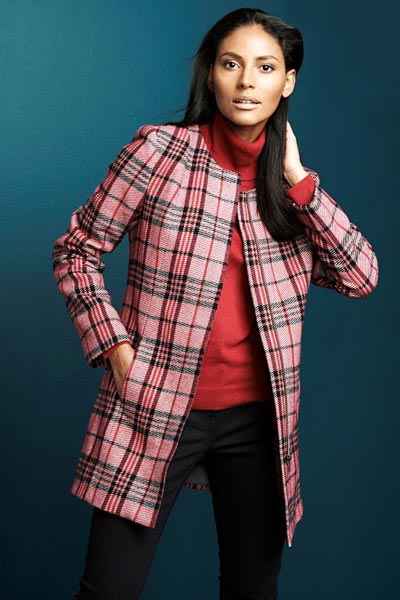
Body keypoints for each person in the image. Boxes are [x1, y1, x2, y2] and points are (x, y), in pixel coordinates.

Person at [51, 7, 379, 600]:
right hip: (153, 405)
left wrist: (299, 180)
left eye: (265, 67)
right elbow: (77, 249)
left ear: (289, 81)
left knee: (252, 590)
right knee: (108, 590)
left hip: (258, 422)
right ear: (211, 74)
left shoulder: (293, 189)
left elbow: (361, 277)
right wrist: (115, 346)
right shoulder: (159, 153)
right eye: (232, 64)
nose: (247, 81)